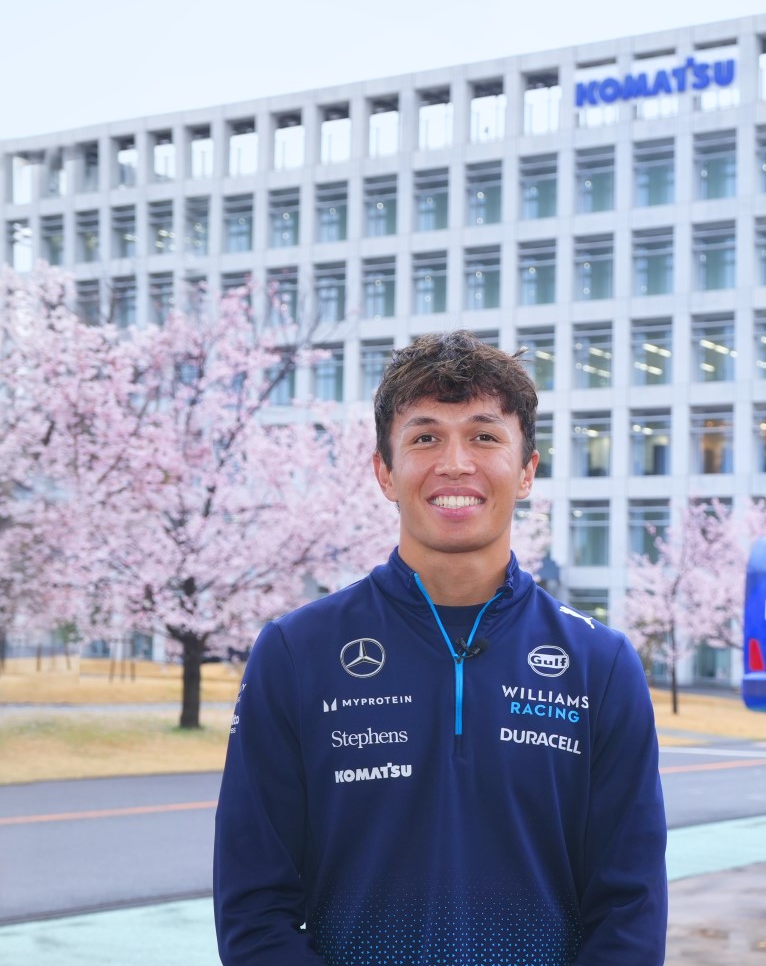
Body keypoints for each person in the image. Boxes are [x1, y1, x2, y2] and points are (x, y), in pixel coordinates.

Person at [214, 331, 668, 965]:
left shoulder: (601, 665)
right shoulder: (294, 653)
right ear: (385, 472)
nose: (456, 463)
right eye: (425, 437)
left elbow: (631, 909)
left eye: (485, 435)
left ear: (528, 470)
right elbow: (253, 906)